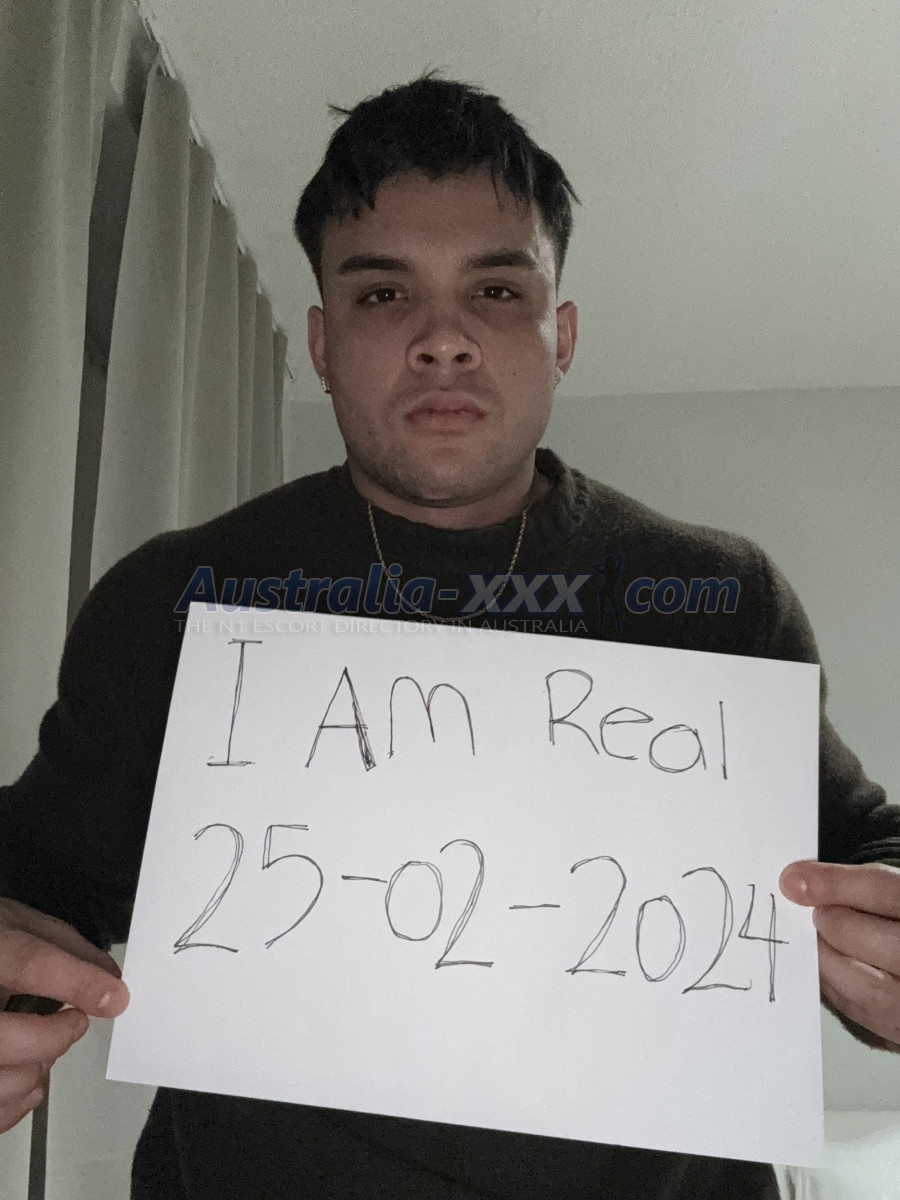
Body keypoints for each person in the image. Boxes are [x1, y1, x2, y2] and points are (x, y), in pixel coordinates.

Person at [1, 71, 898, 1200]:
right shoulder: (175, 598)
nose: (443, 341)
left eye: (497, 291)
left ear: (560, 335)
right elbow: (43, 872)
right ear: (322, 343)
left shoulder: (719, 597)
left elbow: (858, 847)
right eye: (384, 295)